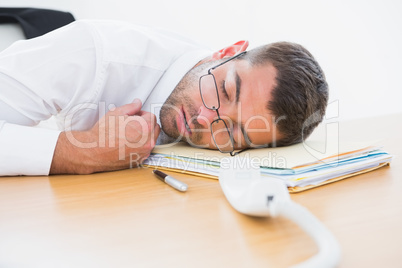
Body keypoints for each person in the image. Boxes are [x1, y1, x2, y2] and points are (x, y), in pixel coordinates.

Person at [0, 20, 328, 176]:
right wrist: (76, 151)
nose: (205, 118)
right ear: (227, 52)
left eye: (232, 131)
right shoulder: (96, 53)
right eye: (225, 90)